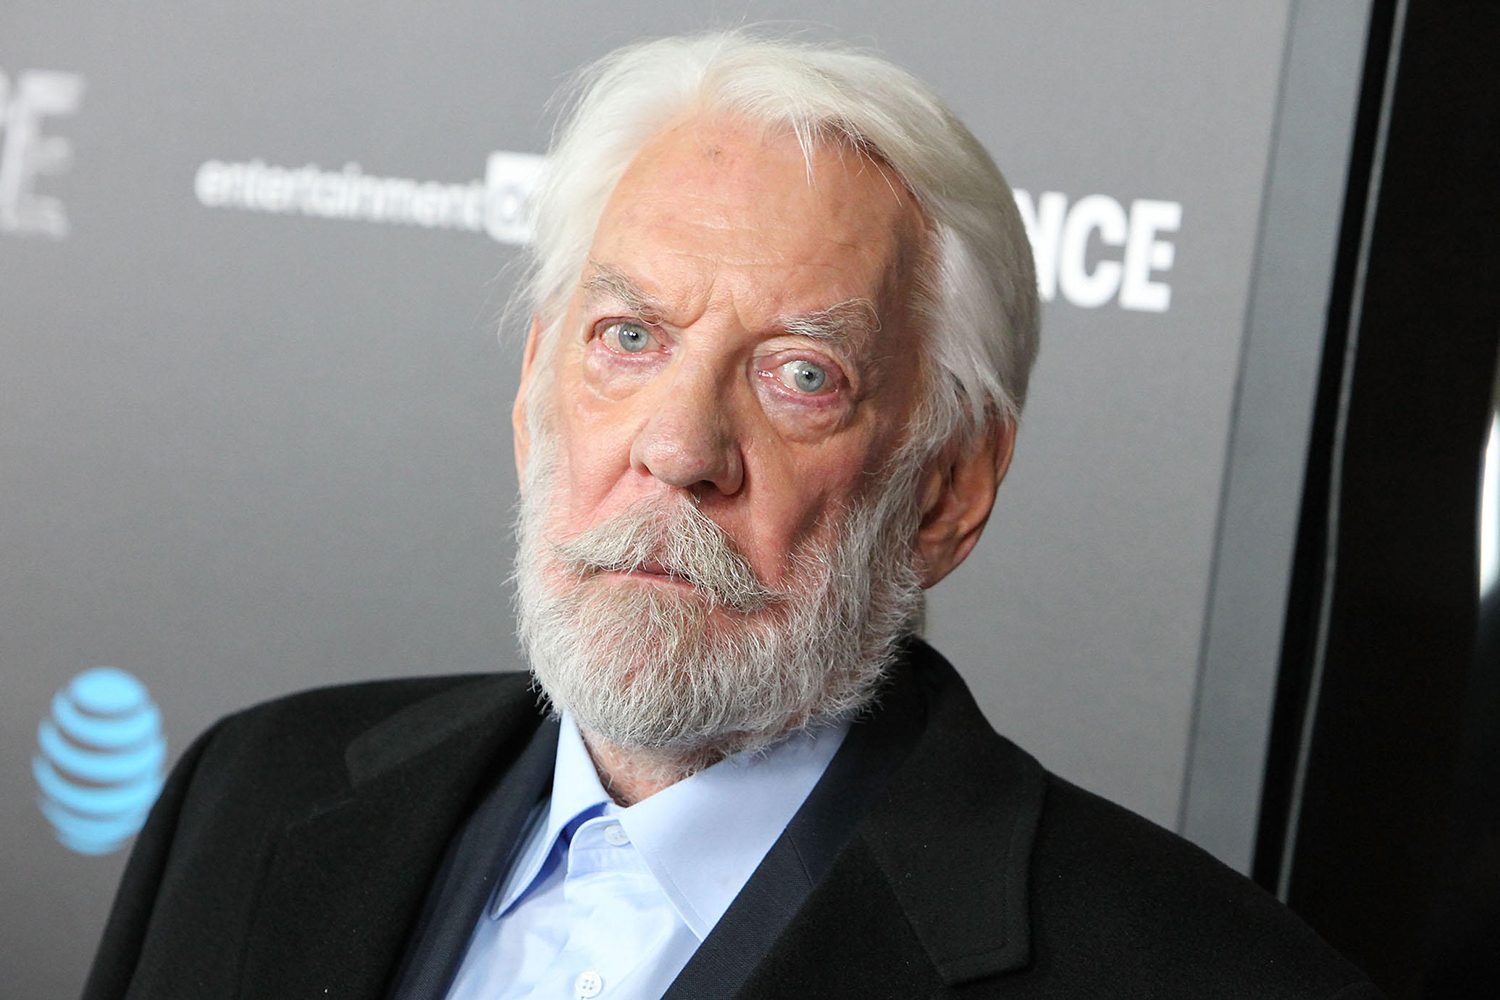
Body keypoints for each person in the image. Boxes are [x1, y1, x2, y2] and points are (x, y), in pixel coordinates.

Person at [83, 31, 1382, 1000]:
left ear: (948, 489)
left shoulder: (1204, 978)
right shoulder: (246, 798)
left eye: (801, 374)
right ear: (534, 392)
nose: (679, 446)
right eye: (629, 336)